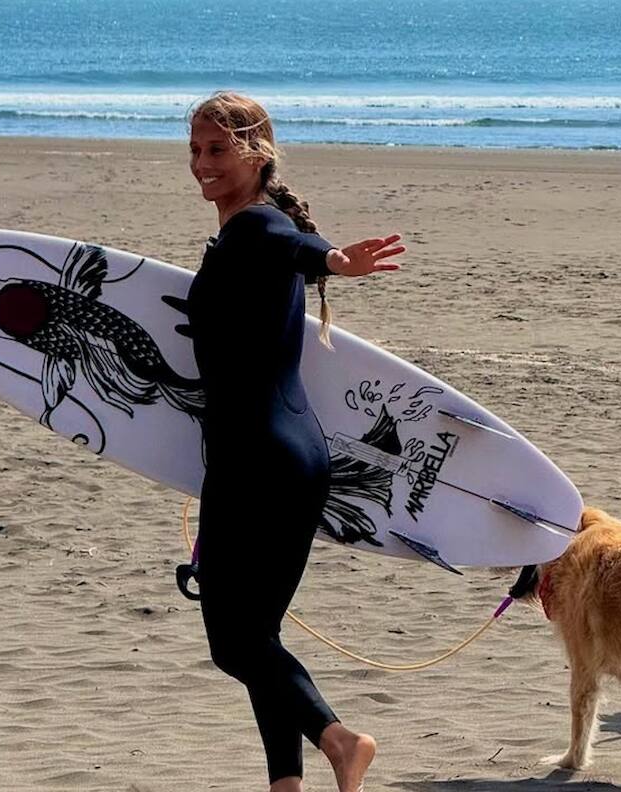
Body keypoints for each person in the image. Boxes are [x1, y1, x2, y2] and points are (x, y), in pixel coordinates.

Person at [183, 91, 404, 792]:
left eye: (217, 149)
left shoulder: (257, 229)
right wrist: (325, 259)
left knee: (232, 639)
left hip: (256, 460)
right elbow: (291, 253)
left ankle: (341, 741)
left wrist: (337, 260)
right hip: (288, 457)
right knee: (258, 640)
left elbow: (296, 247)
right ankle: (287, 785)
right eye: (194, 150)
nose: (202, 164)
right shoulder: (244, 234)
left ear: (257, 153)